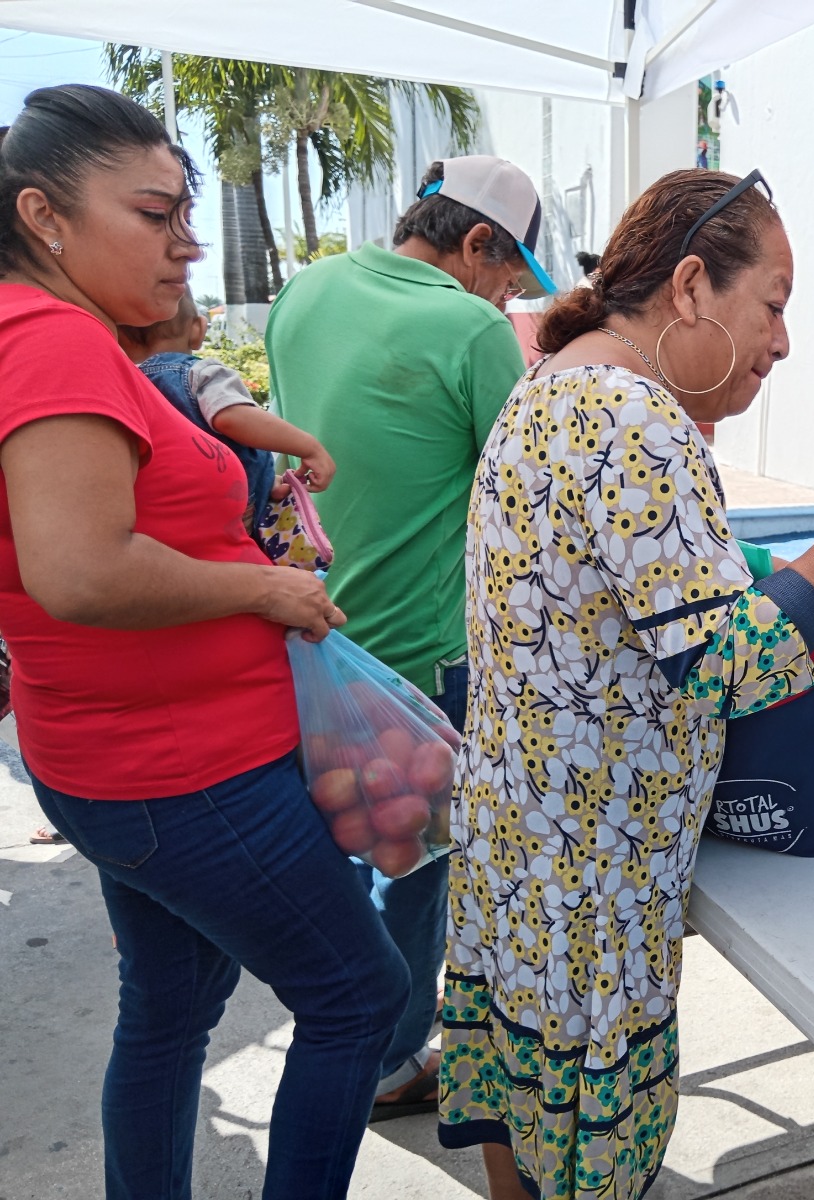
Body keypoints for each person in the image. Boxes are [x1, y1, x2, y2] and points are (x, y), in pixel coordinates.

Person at [441, 167, 814, 1198]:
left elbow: (635, 598)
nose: (783, 342)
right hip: (593, 890)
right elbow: (728, 665)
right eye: (772, 306)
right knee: (584, 1152)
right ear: (692, 286)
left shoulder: (556, 383)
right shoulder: (634, 415)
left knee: (524, 1114)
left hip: (524, 857)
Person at [0, 85, 406, 1199]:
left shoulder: (50, 337)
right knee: (358, 997)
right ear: (44, 216)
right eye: (154, 215)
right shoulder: (51, 340)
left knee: (171, 1011)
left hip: (130, 757)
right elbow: (81, 568)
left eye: (186, 213)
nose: (187, 244)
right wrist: (263, 591)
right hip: (182, 772)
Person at [266, 155, 547, 1121]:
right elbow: (528, 496)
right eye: (510, 276)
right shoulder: (470, 328)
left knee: (341, 846)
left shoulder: (305, 292)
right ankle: (389, 1058)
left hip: (315, 638)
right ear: (477, 243)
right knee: (417, 862)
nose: (509, 298)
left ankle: (344, 1027)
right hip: (424, 657)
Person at [119, 286, 336, 536]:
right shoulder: (200, 375)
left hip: (163, 517)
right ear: (198, 330)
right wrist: (309, 447)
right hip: (229, 510)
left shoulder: (123, 384)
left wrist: (266, 482)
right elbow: (232, 418)